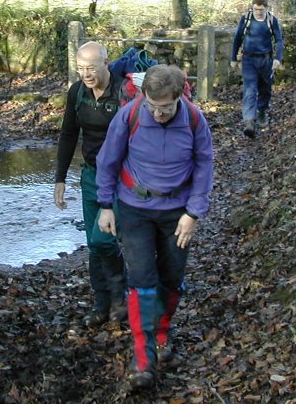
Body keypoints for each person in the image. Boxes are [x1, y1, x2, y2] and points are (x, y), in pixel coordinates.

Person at [96, 64, 214, 389]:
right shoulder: (130, 116)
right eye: (152, 106)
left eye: (165, 107)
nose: (158, 114)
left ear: (179, 97)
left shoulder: (193, 119)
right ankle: (143, 357)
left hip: (177, 211)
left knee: (172, 277)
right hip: (135, 208)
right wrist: (106, 206)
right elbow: (108, 160)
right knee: (142, 278)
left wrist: (194, 212)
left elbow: (205, 163)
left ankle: (163, 329)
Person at [55, 41, 127, 327]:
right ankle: (102, 301)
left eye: (91, 69)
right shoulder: (77, 92)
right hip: (90, 175)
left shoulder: (124, 92)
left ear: (106, 63)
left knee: (103, 239)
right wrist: (60, 177)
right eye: (80, 69)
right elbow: (69, 134)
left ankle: (120, 294)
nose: (86, 75)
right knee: (93, 244)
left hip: (121, 177)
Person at [230, 0, 284, 139]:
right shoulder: (246, 19)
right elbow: (237, 38)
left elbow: (279, 40)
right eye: (256, 9)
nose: (258, 12)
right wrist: (233, 57)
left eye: (261, 10)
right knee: (250, 90)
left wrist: (278, 58)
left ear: (266, 8)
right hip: (249, 60)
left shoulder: (271, 20)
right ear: (252, 8)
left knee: (265, 88)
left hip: (266, 60)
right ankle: (249, 121)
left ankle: (262, 111)